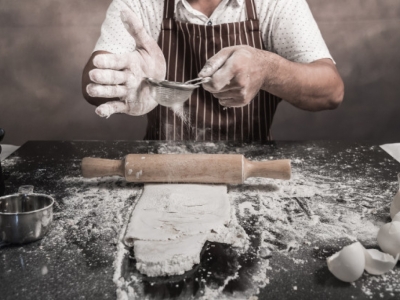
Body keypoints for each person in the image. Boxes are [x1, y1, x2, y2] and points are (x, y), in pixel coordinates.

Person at [82, 0, 344, 141]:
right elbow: (93, 84)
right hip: (160, 167)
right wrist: (128, 86)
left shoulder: (275, 3)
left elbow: (331, 92)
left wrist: (268, 69)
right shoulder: (139, 4)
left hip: (250, 167)